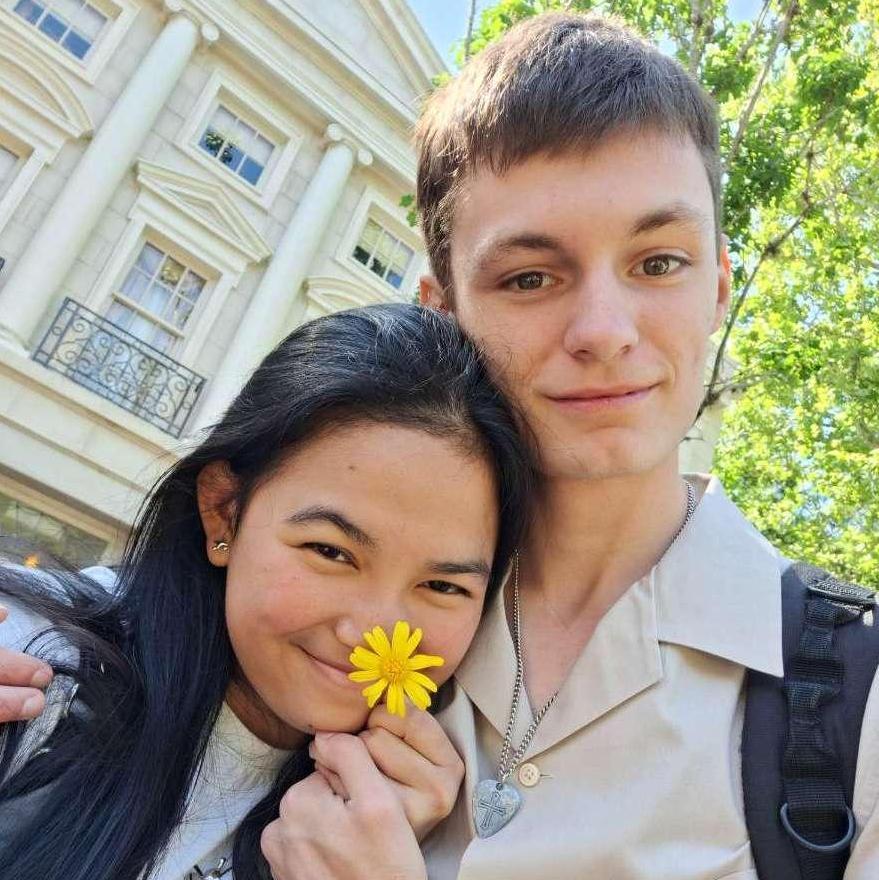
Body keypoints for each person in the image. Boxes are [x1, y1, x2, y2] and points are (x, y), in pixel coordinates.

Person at [259, 12, 879, 880]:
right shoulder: (339, 619)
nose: (602, 331)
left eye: (657, 262)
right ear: (443, 314)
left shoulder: (860, 703)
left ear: (716, 288)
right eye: (528, 277)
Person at [0, 303, 537, 880]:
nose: (372, 637)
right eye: (330, 552)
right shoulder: (37, 668)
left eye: (441, 585)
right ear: (222, 515)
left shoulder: (434, 817)